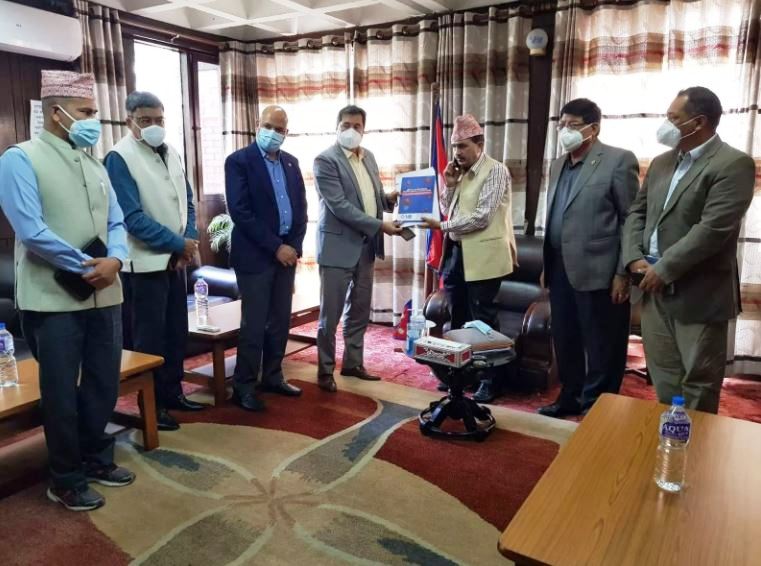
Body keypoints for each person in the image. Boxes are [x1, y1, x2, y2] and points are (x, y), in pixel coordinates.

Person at [0, 70, 134, 511]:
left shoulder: (95, 163)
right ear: (57, 113)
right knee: (60, 392)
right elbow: (31, 230)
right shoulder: (20, 158)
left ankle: (96, 457)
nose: (94, 121)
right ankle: (66, 478)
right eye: (86, 112)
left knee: (103, 384)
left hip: (106, 292)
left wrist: (116, 260)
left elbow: (117, 221)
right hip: (51, 298)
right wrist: (87, 267)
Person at [622, 86, 755, 414]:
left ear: (698, 122)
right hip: (652, 288)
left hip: (699, 293)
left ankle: (697, 444)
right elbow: (638, 212)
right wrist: (634, 258)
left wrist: (665, 269)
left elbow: (713, 229)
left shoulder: (733, 164)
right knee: (664, 376)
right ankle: (672, 437)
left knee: (698, 382)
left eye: (673, 118)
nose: (665, 124)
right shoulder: (661, 163)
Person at [104, 91, 205, 431]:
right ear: (129, 121)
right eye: (145, 120)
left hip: (175, 262)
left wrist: (187, 240)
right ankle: (152, 406)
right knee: (150, 342)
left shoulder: (170, 151)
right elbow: (132, 217)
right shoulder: (119, 157)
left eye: (159, 119)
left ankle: (173, 393)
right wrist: (179, 244)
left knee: (176, 333)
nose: (154, 126)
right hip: (144, 266)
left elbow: (187, 200)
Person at [537, 98, 640, 418]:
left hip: (601, 269)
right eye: (561, 125)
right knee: (565, 337)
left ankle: (598, 408)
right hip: (560, 266)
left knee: (602, 344)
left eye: (573, 125)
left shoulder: (618, 161)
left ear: (593, 129)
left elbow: (631, 219)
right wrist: (547, 265)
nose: (565, 131)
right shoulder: (558, 164)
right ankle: (569, 396)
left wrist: (623, 272)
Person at [421, 114, 517, 403]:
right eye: (454, 147)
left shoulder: (495, 171)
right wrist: (450, 184)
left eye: (463, 146)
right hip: (456, 253)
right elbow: (447, 209)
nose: (457, 153)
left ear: (479, 144)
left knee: (482, 319)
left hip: (485, 255)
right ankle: (459, 376)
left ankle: (491, 380)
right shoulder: (459, 173)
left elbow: (481, 217)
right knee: (458, 315)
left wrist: (442, 226)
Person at [224, 105, 308, 411]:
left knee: (280, 321)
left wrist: (293, 246)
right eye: (268, 126)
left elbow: (301, 208)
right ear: (257, 126)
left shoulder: (291, 162)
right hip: (256, 256)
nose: (273, 133)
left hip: (286, 255)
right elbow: (240, 211)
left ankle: (273, 376)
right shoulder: (238, 161)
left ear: (286, 132)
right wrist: (276, 247)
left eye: (280, 129)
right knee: (254, 324)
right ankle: (244, 386)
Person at [313, 105, 401, 392]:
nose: (351, 130)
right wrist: (380, 225)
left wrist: (391, 199)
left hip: (365, 247)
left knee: (360, 310)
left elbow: (371, 197)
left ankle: (353, 363)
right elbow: (340, 206)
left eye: (357, 126)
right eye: (346, 125)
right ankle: (325, 370)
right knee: (331, 315)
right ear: (337, 127)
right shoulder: (325, 160)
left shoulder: (369, 157)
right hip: (337, 248)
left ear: (364, 129)